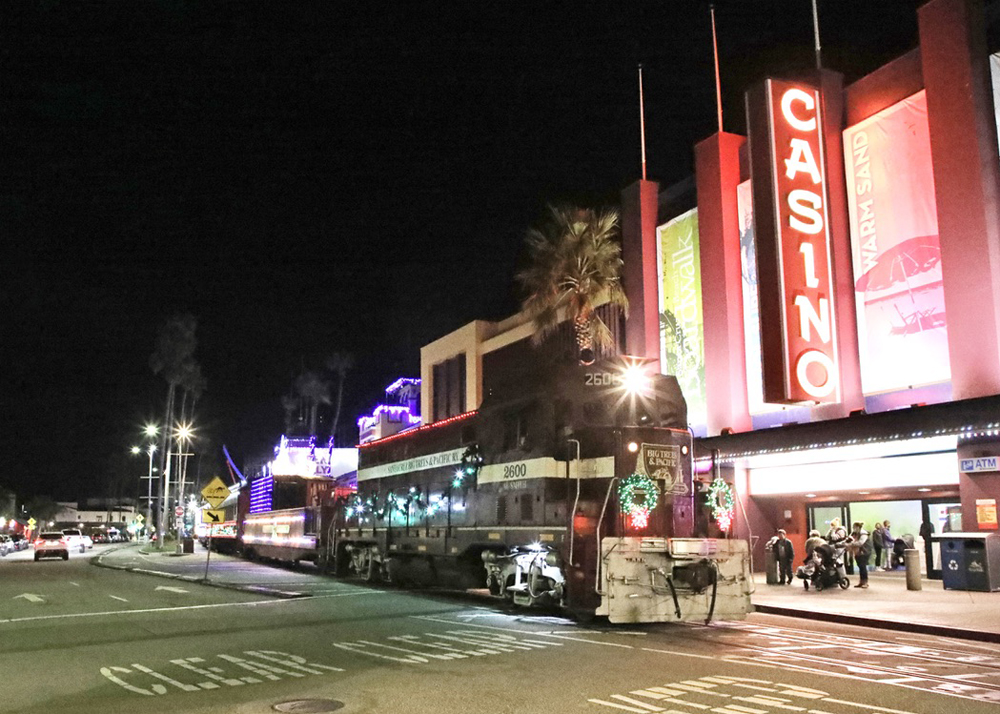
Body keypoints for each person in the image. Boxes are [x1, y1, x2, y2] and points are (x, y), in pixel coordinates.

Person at [847, 521, 872, 588]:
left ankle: (865, 582)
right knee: (860, 567)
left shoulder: (863, 534)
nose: (853, 528)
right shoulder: (855, 533)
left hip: (864, 551)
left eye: (854, 527)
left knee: (862, 566)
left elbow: (861, 543)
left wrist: (851, 544)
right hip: (858, 552)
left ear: (858, 527)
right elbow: (849, 539)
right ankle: (861, 581)